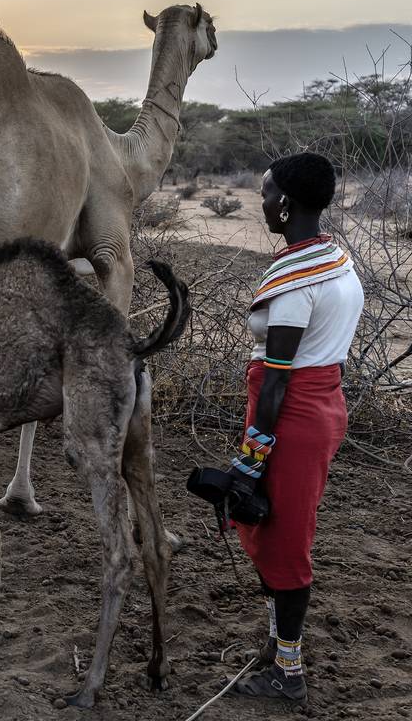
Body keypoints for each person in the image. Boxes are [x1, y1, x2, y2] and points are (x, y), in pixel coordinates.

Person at [229, 152, 363, 700]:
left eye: (265, 192)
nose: (261, 202)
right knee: (276, 527)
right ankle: (276, 643)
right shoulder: (335, 260)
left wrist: (249, 463)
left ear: (284, 202)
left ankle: (288, 672)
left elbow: (278, 382)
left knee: (285, 541)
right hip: (322, 406)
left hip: (291, 418)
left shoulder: (296, 283)